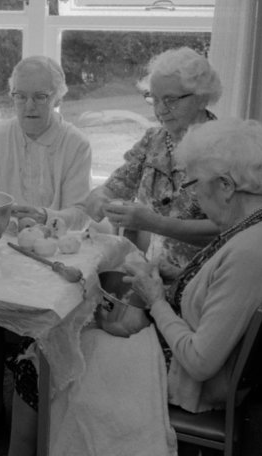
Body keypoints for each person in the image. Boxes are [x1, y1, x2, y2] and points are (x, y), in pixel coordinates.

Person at [0, 117, 262, 456]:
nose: (195, 198)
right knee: (65, 338)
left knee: (44, 356)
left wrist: (156, 301)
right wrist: (179, 274)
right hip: (186, 353)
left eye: (195, 185)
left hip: (190, 377)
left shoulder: (253, 252)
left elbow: (201, 362)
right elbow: (220, 293)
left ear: (228, 186)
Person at [0, 55, 92, 448]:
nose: (30, 107)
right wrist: (2, 218)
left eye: (40, 97)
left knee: (46, 317)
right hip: (1, 250)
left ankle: (38, 409)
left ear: (58, 97)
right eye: (21, 97)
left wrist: (45, 215)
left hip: (54, 257)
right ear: (11, 97)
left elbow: (81, 213)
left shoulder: (75, 144)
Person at [84, 47, 222, 282]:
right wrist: (100, 200)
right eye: (154, 99)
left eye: (170, 100)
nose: (159, 110)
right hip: (152, 276)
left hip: (205, 281)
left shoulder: (227, 147)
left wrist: (154, 223)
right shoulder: (153, 141)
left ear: (201, 97)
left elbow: (226, 229)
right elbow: (112, 187)